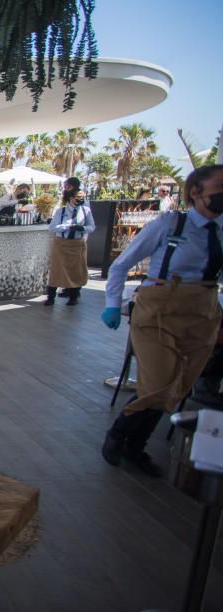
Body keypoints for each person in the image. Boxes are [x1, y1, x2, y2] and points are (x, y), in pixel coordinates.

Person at [101, 165, 223, 477]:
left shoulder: (221, 231)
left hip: (201, 315)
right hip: (158, 313)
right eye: (219, 188)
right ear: (196, 192)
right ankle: (119, 431)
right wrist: (112, 305)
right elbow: (120, 266)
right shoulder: (170, 224)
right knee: (158, 382)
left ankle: (135, 447)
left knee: (178, 385)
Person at [44, 187, 95, 306]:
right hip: (62, 244)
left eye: (82, 197)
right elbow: (52, 227)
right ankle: (51, 297)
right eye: (79, 197)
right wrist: (67, 226)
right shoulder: (61, 212)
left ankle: (73, 297)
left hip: (77, 244)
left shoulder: (86, 211)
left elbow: (92, 226)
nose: (81, 199)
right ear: (71, 198)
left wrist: (83, 228)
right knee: (57, 271)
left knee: (76, 271)